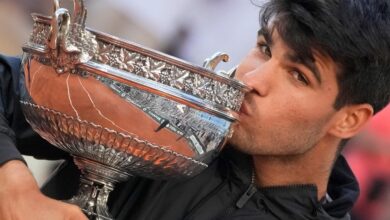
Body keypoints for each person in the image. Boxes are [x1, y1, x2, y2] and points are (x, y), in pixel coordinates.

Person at [1, 0, 390, 219]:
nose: (251, 78)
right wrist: (15, 191)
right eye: (265, 49)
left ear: (349, 119)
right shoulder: (163, 114)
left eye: (299, 76)